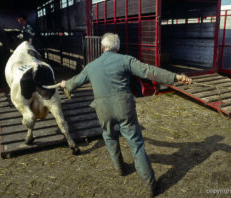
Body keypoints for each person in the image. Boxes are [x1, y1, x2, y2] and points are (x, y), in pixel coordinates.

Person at [60, 33, 192, 197]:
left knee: (109, 137)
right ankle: (151, 187)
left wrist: (66, 84)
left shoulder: (91, 66)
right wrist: (176, 77)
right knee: (136, 144)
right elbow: (148, 71)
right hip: (124, 106)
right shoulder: (125, 60)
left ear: (102, 48)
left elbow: (75, 82)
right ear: (118, 47)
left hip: (103, 109)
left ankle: (121, 169)